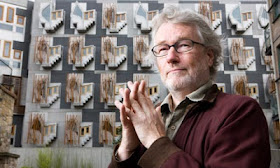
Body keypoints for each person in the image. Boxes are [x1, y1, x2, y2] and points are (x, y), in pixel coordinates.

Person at [109, 6, 271, 168]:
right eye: (163, 49)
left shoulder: (240, 112)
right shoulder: (151, 118)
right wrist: (126, 150)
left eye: (184, 45)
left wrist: (155, 141)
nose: (171, 57)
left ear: (209, 56)